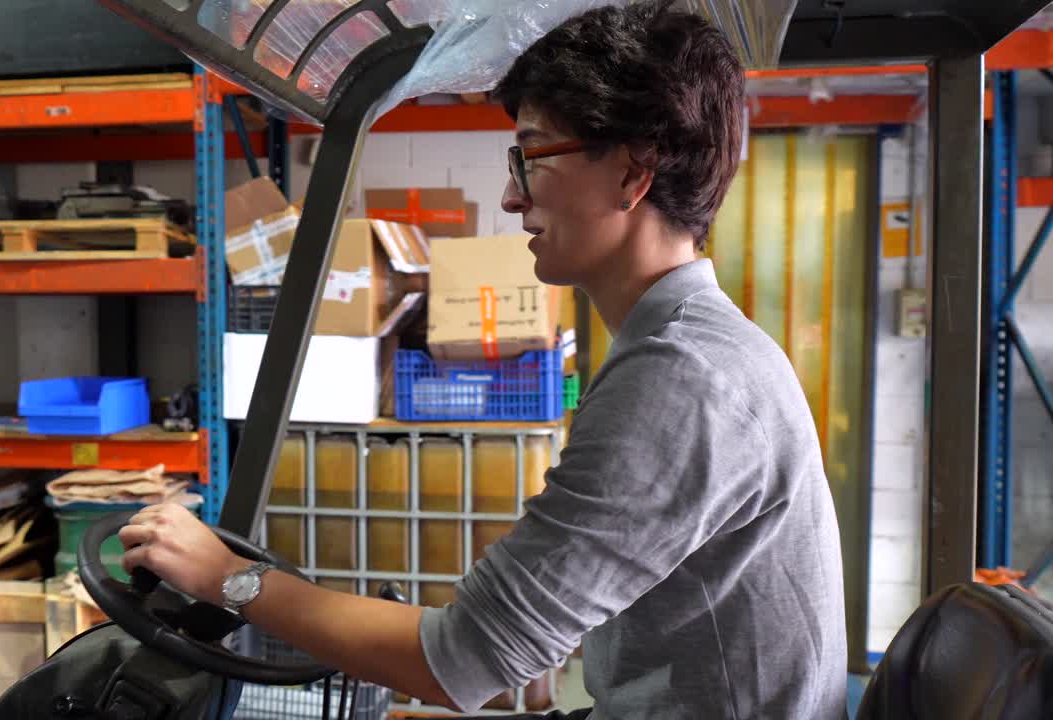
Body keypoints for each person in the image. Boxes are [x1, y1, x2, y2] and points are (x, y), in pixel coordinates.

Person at [118, 1, 848, 717]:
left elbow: (466, 660)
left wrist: (231, 580)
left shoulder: (681, 380)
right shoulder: (689, 347)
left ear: (634, 172)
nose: (510, 195)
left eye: (531, 157)